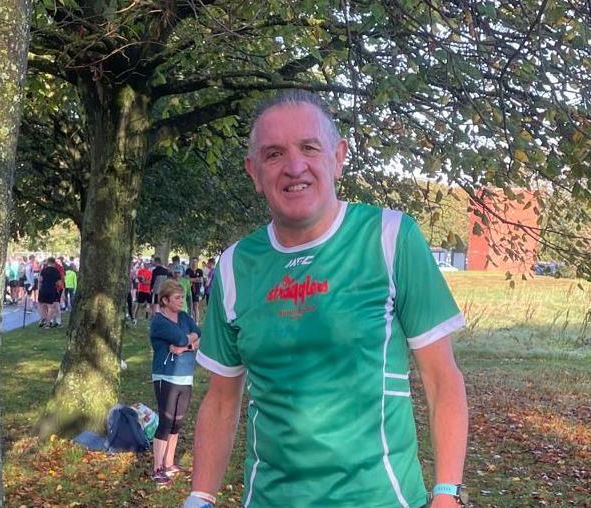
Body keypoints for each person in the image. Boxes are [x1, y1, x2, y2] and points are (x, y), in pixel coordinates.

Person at [184, 91, 468, 508]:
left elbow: (442, 379)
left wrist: (446, 493)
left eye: (309, 148)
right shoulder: (232, 266)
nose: (294, 166)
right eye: (274, 154)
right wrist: (200, 497)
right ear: (254, 171)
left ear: (338, 156)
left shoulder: (390, 239)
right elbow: (221, 400)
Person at [149, 279, 200, 488]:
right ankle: (157, 468)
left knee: (177, 422)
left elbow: (199, 334)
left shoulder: (185, 317)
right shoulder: (159, 321)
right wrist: (188, 341)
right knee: (166, 421)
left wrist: (184, 348)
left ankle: (169, 463)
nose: (182, 301)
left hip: (185, 376)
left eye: (182, 297)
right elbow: (181, 337)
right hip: (166, 376)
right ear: (165, 300)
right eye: (177, 298)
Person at [36, 257, 62, 329]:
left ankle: (44, 318)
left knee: (42, 305)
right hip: (51, 289)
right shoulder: (56, 271)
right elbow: (59, 283)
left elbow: (40, 280)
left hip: (43, 289)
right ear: (54, 263)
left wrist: (39, 288)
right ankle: (48, 324)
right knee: (51, 307)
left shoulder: (44, 270)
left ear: (48, 263)